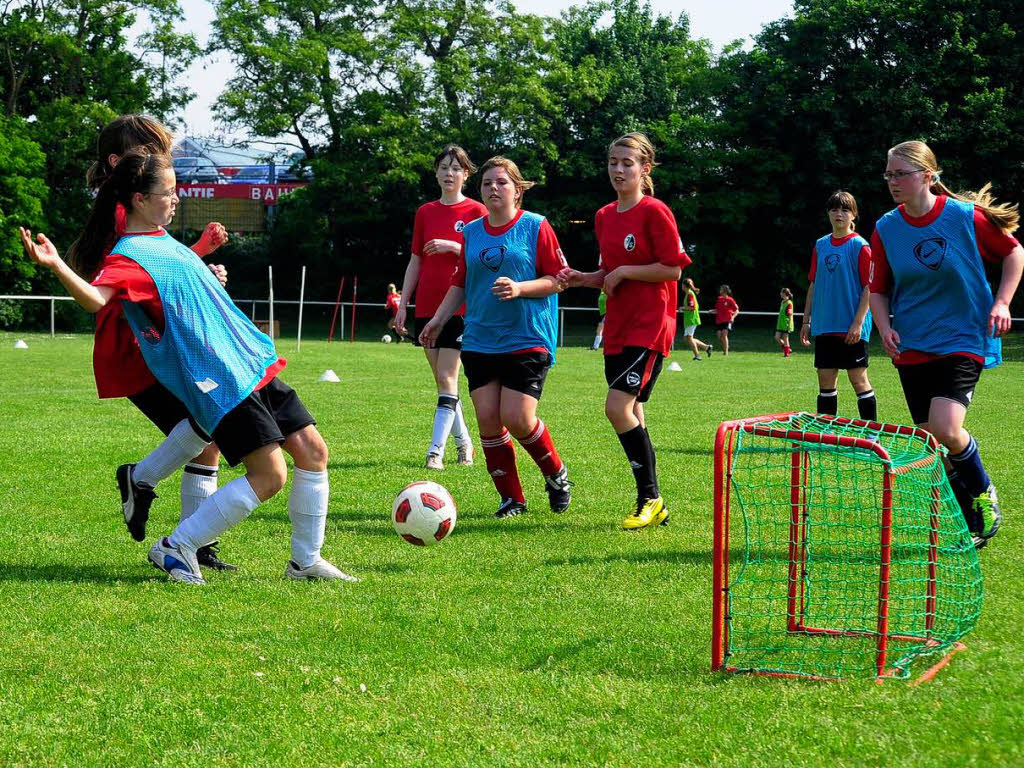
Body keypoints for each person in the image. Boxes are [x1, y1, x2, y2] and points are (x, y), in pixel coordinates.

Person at [21, 149, 355, 583]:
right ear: (140, 199)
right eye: (169, 192)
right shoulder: (128, 257)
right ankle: (176, 546)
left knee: (313, 452)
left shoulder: (165, 241)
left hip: (250, 364)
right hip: (219, 380)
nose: (176, 199)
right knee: (270, 476)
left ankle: (305, 562)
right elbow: (96, 300)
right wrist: (56, 265)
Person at [84, 115, 236, 569]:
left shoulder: (135, 202)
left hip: (157, 337)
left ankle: (193, 542)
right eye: (146, 150)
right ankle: (144, 483)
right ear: (117, 163)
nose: (157, 159)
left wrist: (199, 264)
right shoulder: (119, 209)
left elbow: (161, 268)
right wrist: (200, 257)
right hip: (139, 344)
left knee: (207, 429)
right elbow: (136, 274)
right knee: (208, 419)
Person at [868, 140, 1023, 549]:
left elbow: (1014, 253)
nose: (892, 182)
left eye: (900, 174)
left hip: (963, 336)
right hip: (914, 342)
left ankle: (984, 493)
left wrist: (1002, 302)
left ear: (928, 176)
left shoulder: (964, 218)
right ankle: (968, 521)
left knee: (945, 427)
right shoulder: (886, 228)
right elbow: (879, 289)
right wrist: (884, 329)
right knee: (930, 439)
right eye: (888, 175)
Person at [419, 156, 572, 519]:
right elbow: (460, 282)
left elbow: (558, 279)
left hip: (527, 336)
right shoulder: (471, 231)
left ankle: (556, 474)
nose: (493, 189)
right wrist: (438, 320)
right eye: (487, 183)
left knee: (517, 417)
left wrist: (520, 288)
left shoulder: (536, 226)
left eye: (501, 182)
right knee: (488, 418)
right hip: (479, 339)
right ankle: (511, 499)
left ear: (517, 190)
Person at [558, 133, 690, 530]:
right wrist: (582, 278)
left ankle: (650, 497)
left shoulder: (656, 212)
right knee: (633, 410)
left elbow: (673, 269)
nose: (618, 169)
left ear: (644, 169)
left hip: (651, 323)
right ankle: (655, 504)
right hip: (618, 325)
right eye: (613, 162)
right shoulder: (603, 216)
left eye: (626, 163)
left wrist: (624, 271)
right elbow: (610, 276)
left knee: (616, 408)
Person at [395, 145, 485, 469]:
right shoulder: (425, 212)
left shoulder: (477, 212)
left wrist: (453, 245)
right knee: (443, 383)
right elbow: (415, 260)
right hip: (426, 308)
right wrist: (403, 304)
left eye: (456, 168)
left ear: (466, 174)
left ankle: (436, 451)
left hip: (460, 308)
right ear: (435, 172)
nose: (450, 173)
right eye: (444, 167)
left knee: (448, 378)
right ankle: (466, 444)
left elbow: (486, 256)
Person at [799, 190, 876, 419]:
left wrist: (858, 323)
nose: (838, 214)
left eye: (845, 209)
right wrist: (806, 320)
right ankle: (827, 434)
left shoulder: (860, 246)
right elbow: (813, 283)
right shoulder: (821, 245)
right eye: (834, 209)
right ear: (828, 214)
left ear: (854, 215)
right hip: (825, 324)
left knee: (858, 379)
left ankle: (870, 436)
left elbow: (869, 288)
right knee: (825, 381)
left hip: (851, 326)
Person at [681, 278, 711, 360]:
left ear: (684, 285)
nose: (681, 286)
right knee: (687, 338)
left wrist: (683, 308)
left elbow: (692, 307)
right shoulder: (689, 293)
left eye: (682, 284)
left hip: (692, 319)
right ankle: (706, 347)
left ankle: (697, 356)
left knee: (689, 338)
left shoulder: (690, 294)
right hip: (689, 319)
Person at [714, 285, 739, 355]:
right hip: (719, 320)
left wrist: (732, 317)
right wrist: (712, 311)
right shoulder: (719, 299)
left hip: (727, 320)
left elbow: (737, 310)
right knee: (719, 336)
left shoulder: (730, 300)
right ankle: (726, 346)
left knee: (724, 335)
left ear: (724, 291)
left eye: (721, 289)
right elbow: (717, 309)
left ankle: (726, 352)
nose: (720, 290)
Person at [775, 288, 794, 357]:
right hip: (780, 324)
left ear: (785, 294)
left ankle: (786, 353)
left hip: (786, 324)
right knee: (777, 337)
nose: (780, 294)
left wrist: (789, 325)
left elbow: (789, 315)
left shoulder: (789, 303)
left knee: (785, 338)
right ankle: (787, 349)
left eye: (782, 292)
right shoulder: (782, 302)